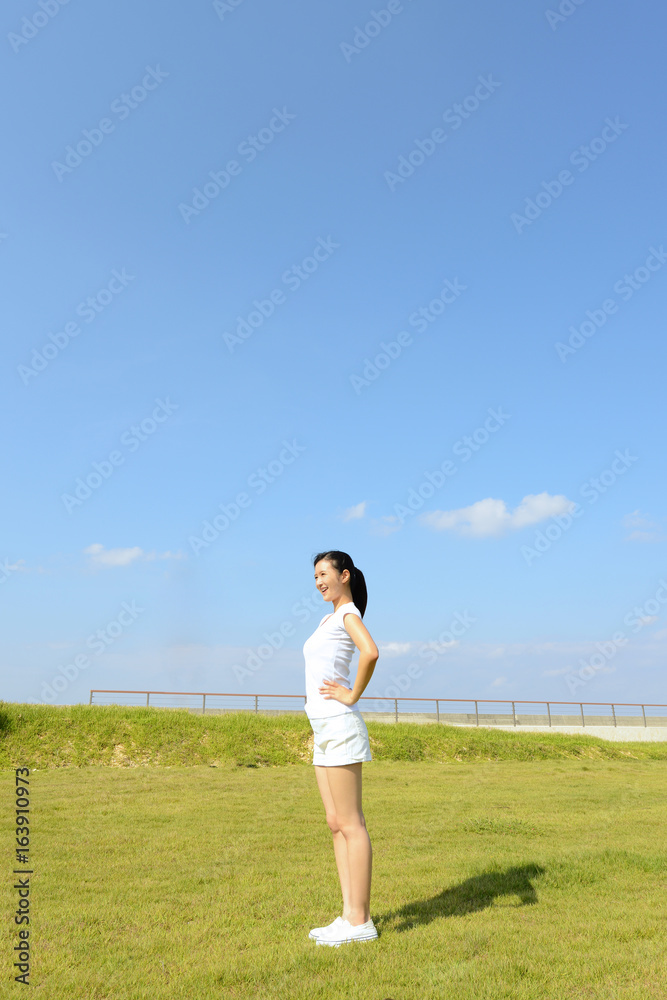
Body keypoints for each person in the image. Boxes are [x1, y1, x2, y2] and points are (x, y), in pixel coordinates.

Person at [302, 549, 380, 947]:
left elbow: (371, 652)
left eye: (324, 574)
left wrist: (351, 695)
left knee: (352, 823)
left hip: (339, 723)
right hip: (322, 727)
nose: (318, 581)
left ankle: (361, 921)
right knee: (335, 823)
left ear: (344, 575)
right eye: (314, 576)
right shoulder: (327, 618)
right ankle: (348, 914)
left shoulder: (349, 614)